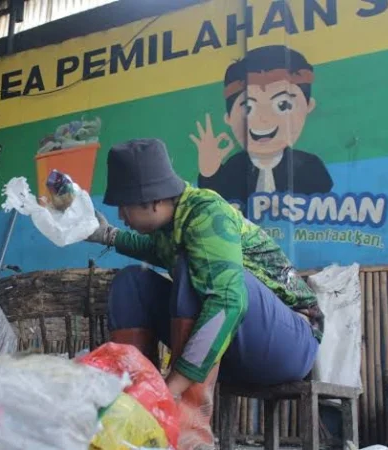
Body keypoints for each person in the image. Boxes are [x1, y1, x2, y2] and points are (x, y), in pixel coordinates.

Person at [86, 138, 323, 450]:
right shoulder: (171, 227)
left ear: (152, 201)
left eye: (124, 207)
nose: (121, 216)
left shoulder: (206, 213)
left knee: (195, 271)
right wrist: (106, 235)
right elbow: (151, 249)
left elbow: (228, 302)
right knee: (130, 282)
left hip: (287, 345)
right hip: (229, 349)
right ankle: (134, 414)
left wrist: (171, 388)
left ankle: (186, 430)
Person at [190, 45, 333, 212]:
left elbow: (324, 205)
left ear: (308, 106)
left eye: (283, 105)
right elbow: (210, 211)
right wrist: (209, 172)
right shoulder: (234, 167)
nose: (263, 118)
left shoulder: (309, 166)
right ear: (228, 118)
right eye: (248, 108)